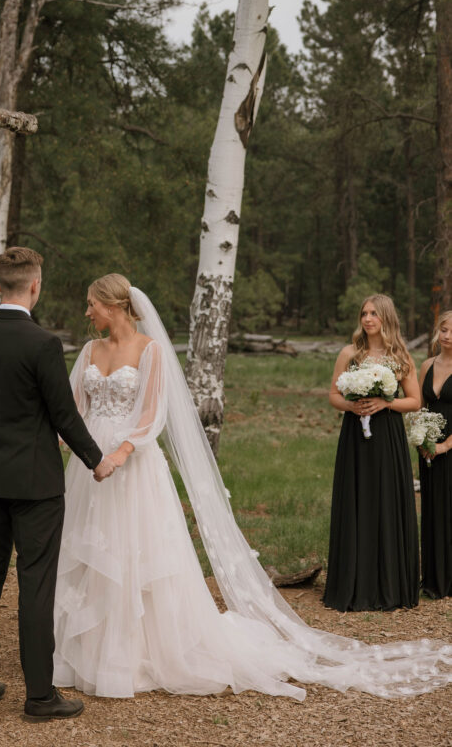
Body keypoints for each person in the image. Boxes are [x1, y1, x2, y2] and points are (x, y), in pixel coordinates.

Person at [54, 275, 452, 701]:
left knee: (136, 550)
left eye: (92, 304)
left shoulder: (149, 350)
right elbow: (74, 407)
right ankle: (87, 647)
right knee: (91, 547)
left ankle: (134, 649)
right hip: (88, 461)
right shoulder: (89, 352)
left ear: (112, 306)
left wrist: (119, 452)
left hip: (130, 462)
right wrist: (70, 443)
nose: (86, 312)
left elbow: (152, 413)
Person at [0, 247, 115, 722]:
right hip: (34, 481)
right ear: (34, 285)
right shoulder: (43, 343)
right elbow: (62, 414)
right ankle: (40, 697)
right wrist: (95, 459)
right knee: (35, 585)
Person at [324, 294, 420, 612]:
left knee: (386, 501)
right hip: (355, 436)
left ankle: (389, 583)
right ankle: (353, 583)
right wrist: (352, 406)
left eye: (374, 314)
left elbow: (415, 401)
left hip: (388, 437)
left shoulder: (400, 356)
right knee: (357, 500)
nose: (367, 319)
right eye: (364, 313)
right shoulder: (350, 354)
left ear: (386, 318)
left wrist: (386, 403)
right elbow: (333, 395)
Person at [418, 310, 452, 599]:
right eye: (444, 330)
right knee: (432, 507)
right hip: (429, 448)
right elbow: (419, 406)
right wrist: (423, 441)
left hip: (451, 446)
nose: (448, 336)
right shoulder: (426, 364)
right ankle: (432, 577)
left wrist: (445, 445)